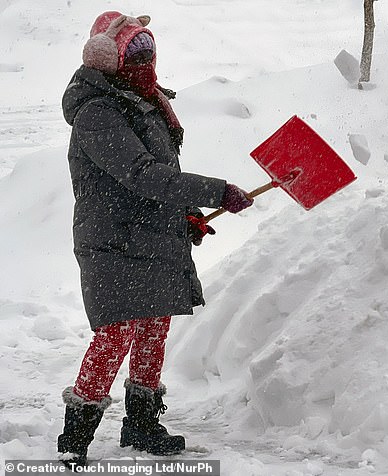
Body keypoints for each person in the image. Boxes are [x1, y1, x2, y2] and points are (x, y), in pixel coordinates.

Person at [58, 11, 254, 469]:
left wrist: (186, 215)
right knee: (116, 334)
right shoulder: (98, 113)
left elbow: (156, 180)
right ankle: (75, 437)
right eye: (136, 52)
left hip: (148, 234)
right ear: (109, 57)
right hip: (112, 238)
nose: (147, 61)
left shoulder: (144, 103)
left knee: (153, 329)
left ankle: (142, 425)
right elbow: (142, 174)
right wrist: (214, 189)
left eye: (150, 50)